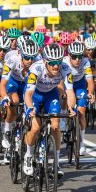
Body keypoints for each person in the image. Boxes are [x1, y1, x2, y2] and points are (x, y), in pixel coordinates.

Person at [23, 43, 76, 178]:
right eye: (52, 63)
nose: (56, 66)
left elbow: (70, 92)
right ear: (45, 61)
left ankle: (56, 163)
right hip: (34, 95)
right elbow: (28, 94)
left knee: (56, 125)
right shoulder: (36, 68)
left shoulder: (65, 68)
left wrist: (71, 107)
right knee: (35, 127)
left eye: (58, 61)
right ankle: (28, 155)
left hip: (50, 95)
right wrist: (30, 107)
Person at [0, 39, 39, 151]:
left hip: (27, 85)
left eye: (33, 57)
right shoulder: (11, 60)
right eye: (27, 57)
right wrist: (5, 97)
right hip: (13, 83)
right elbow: (3, 84)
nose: (30, 61)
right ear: (21, 54)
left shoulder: (38, 61)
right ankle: (7, 128)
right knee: (15, 101)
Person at [62, 42, 95, 156]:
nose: (77, 59)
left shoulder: (85, 62)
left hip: (80, 85)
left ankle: (82, 142)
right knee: (66, 103)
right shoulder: (64, 62)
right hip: (68, 85)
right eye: (74, 57)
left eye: (79, 56)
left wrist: (90, 93)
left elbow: (90, 80)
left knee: (81, 112)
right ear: (69, 55)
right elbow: (61, 81)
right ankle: (65, 124)